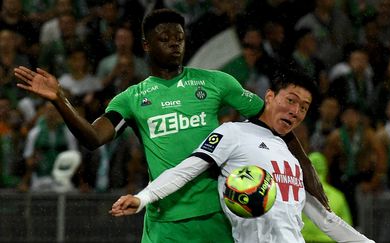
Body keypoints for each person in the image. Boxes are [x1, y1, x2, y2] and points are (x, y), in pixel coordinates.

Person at [14, 8, 328, 243]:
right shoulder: (132, 99)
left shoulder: (216, 83)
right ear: (146, 45)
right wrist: (59, 99)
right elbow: (94, 137)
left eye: (178, 38)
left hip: (216, 215)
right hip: (164, 221)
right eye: (164, 39)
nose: (174, 44)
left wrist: (309, 175)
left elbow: (276, 124)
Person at [109, 69, 373, 243]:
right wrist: (143, 198)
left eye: (303, 108)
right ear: (269, 97)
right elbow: (187, 169)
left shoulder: (290, 158)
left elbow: (325, 220)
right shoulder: (233, 134)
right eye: (291, 101)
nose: (296, 111)